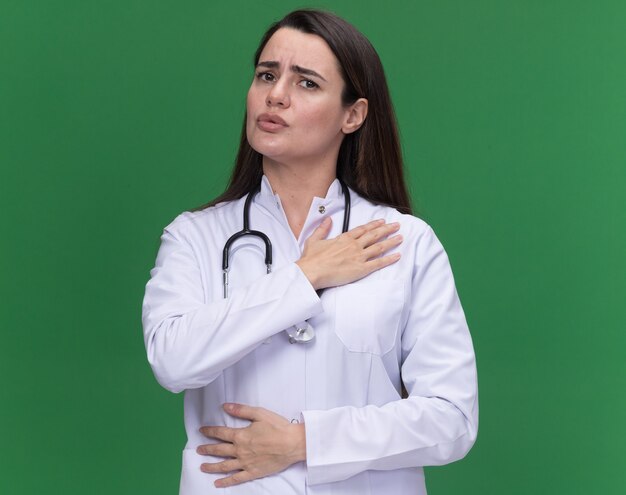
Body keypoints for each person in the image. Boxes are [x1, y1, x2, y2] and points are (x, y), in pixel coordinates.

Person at [142, 9, 478, 495]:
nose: (275, 94)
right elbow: (173, 361)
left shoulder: (404, 241)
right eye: (266, 75)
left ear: (353, 114)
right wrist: (303, 276)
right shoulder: (195, 237)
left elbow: (452, 419)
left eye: (306, 83)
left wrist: (306, 442)